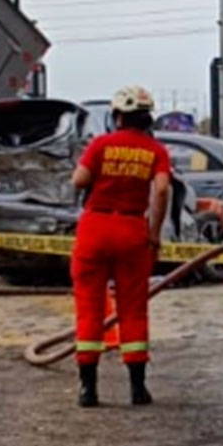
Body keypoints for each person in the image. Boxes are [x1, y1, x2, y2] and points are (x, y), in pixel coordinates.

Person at [70, 85, 170, 408]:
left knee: (89, 307)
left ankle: (88, 390)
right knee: (133, 308)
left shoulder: (101, 144)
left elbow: (79, 181)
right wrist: (153, 233)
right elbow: (162, 190)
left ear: (117, 117)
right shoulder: (156, 151)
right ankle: (138, 389)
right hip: (131, 230)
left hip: (95, 228)